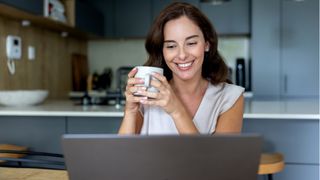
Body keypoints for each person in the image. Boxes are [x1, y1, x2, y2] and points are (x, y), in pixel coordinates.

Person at [118, 2, 244, 135]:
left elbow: (216, 157)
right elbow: (120, 154)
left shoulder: (230, 97)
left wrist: (176, 110)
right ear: (162, 51)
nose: (182, 55)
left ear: (207, 44)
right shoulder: (148, 95)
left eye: (191, 43)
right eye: (171, 46)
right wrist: (130, 111)